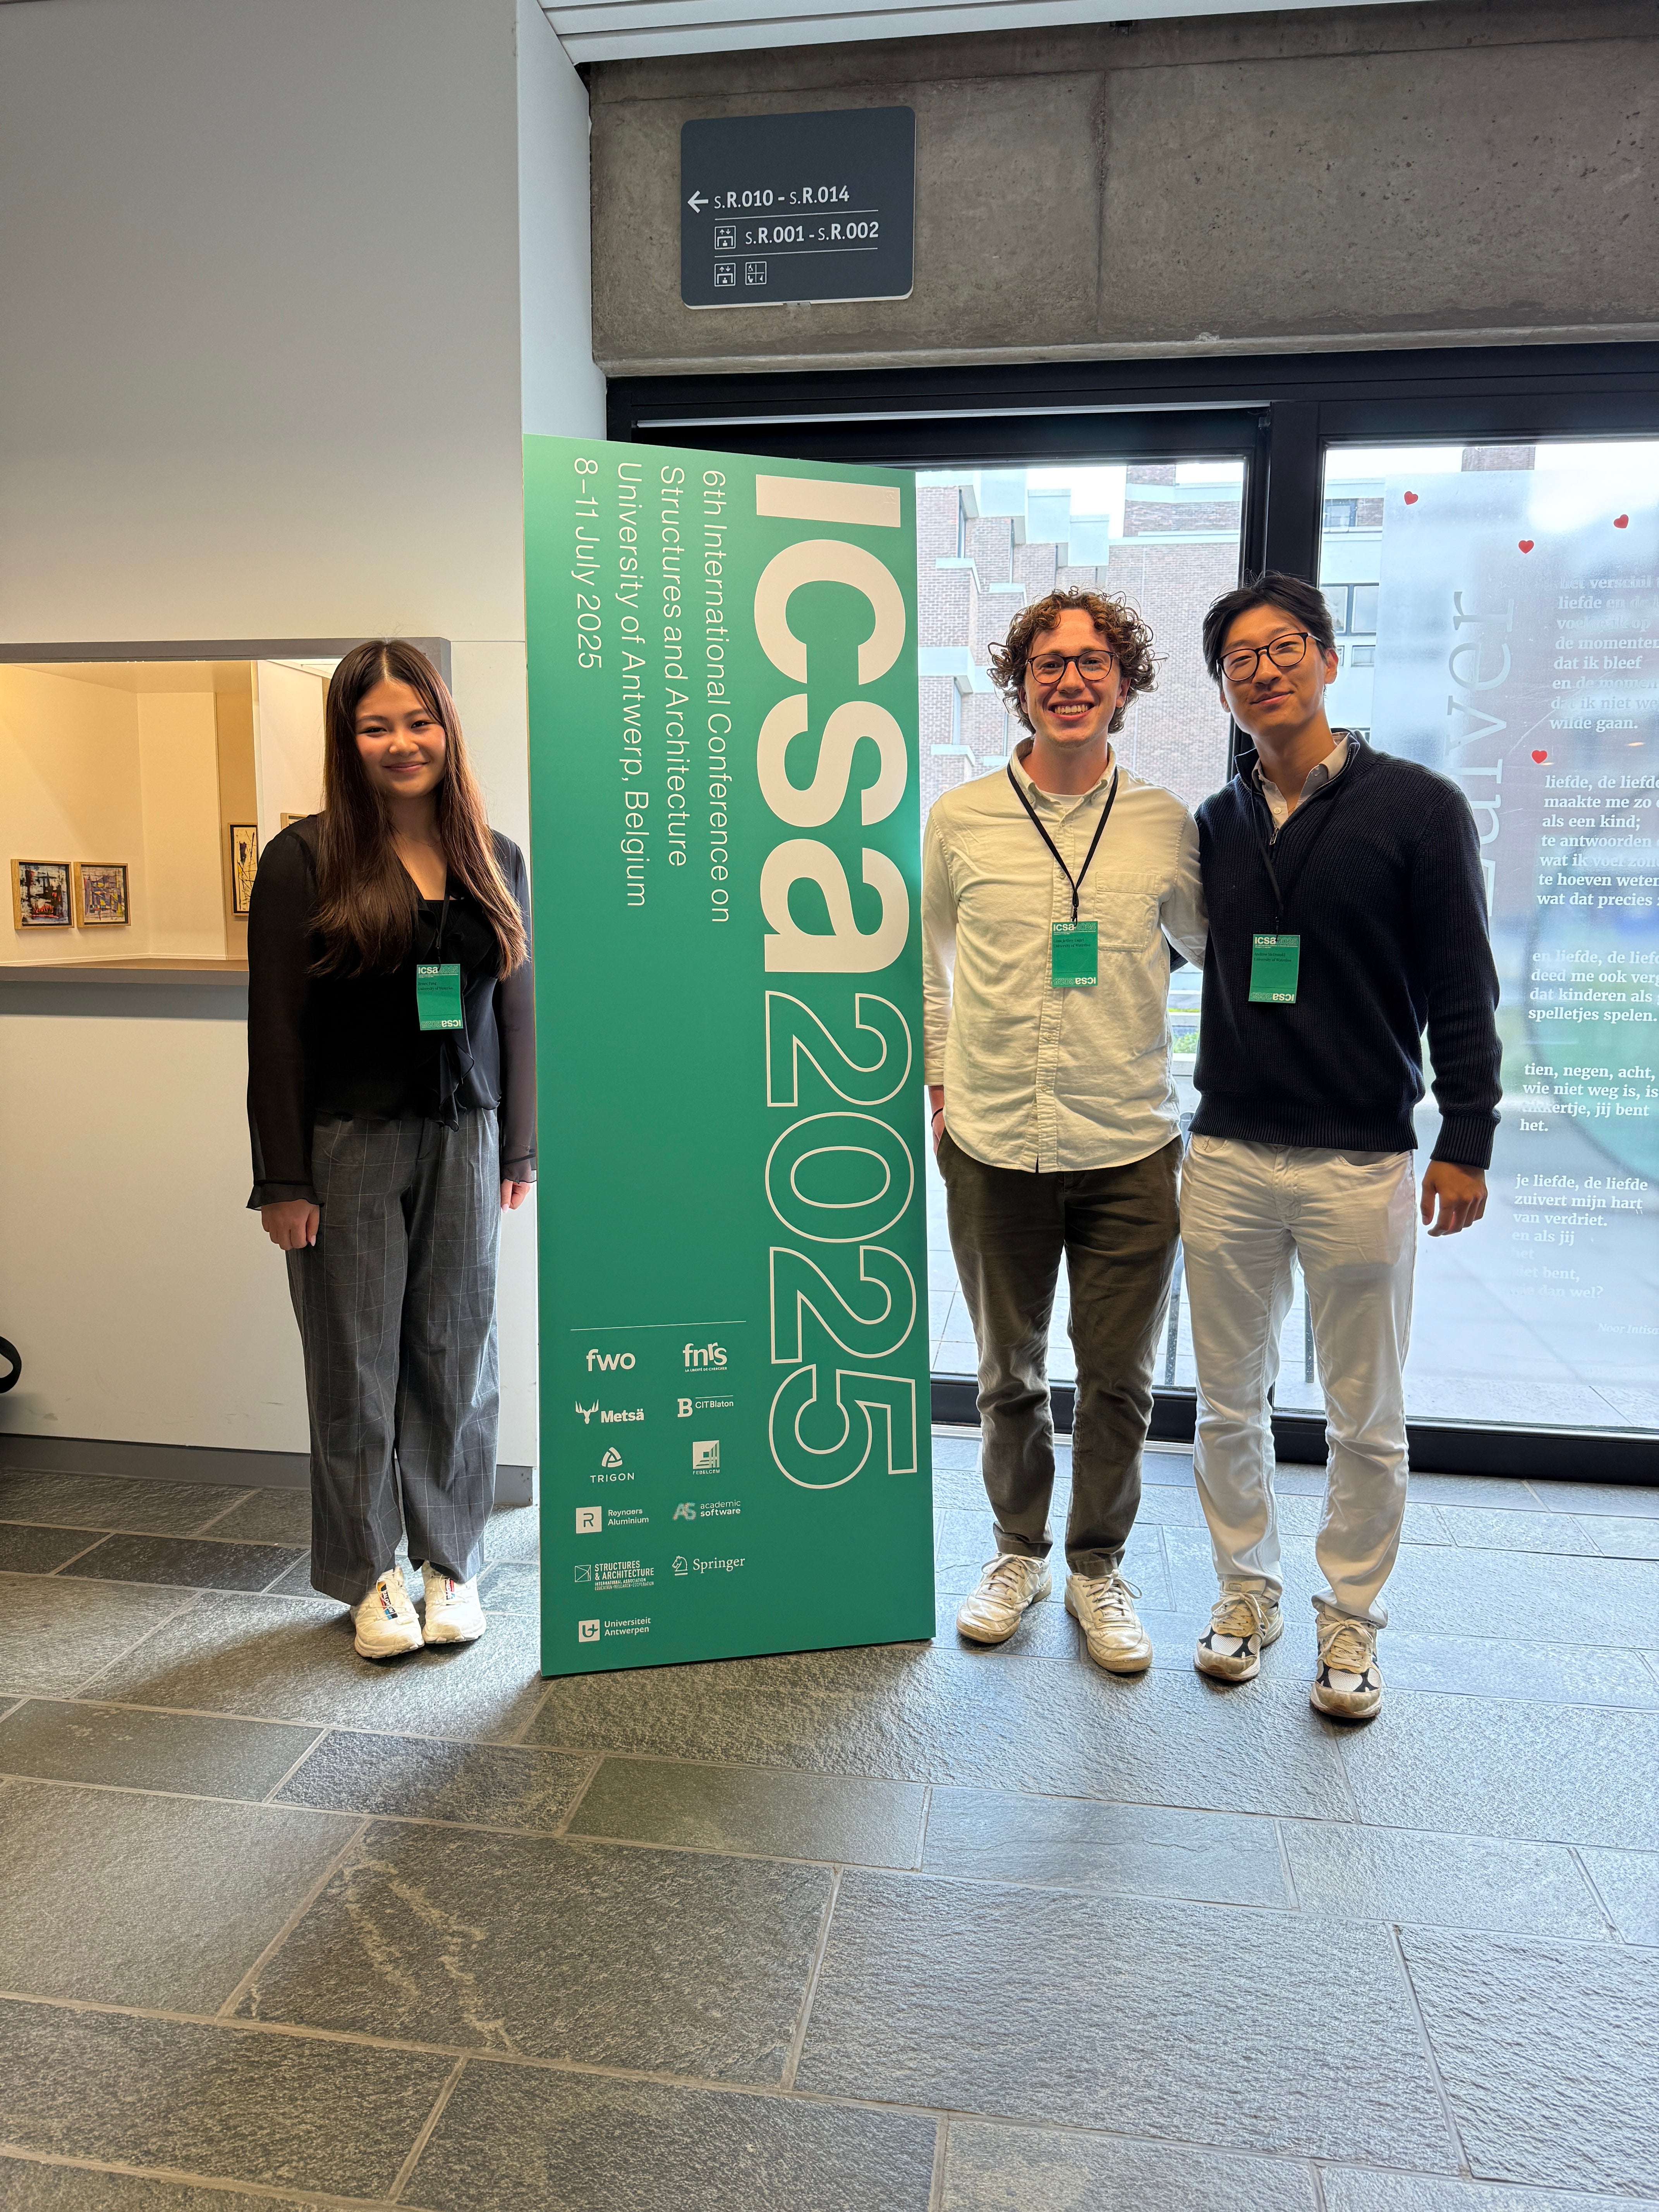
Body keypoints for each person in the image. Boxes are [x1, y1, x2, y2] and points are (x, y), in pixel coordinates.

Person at [1183, 573, 1499, 1720]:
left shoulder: (1417, 806)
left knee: (1365, 1413)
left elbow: (1463, 982)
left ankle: (1351, 1620)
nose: (1260, 672)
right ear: (1222, 688)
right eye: (1237, 661)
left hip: (1360, 1156)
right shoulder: (1214, 821)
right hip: (1222, 1153)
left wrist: (1465, 1135)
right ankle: (1243, 1592)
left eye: (1282, 650)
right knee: (1226, 1402)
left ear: (1325, 660)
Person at [923, 589, 1206, 1671]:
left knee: (1119, 1380)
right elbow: (930, 964)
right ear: (1020, 682)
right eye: (1048, 662)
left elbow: (1208, 949)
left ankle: (1096, 1568)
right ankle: (1016, 1552)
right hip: (993, 1144)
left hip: (1130, 1140)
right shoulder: (961, 817)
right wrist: (947, 1092)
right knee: (1006, 1377)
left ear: (1122, 685)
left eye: (1092, 662)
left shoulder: (1164, 824)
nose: (1070, 679)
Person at [247, 639, 534, 1661]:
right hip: (346, 1145)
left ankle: (450, 1566)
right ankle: (372, 1573)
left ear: (446, 726)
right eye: (376, 726)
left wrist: (519, 1143)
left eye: (418, 720)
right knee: (354, 1368)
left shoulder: (492, 855)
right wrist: (282, 1176)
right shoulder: (305, 859)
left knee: (459, 1359)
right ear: (348, 740)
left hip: (467, 1136)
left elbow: (514, 1009)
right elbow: (277, 1026)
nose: (401, 742)